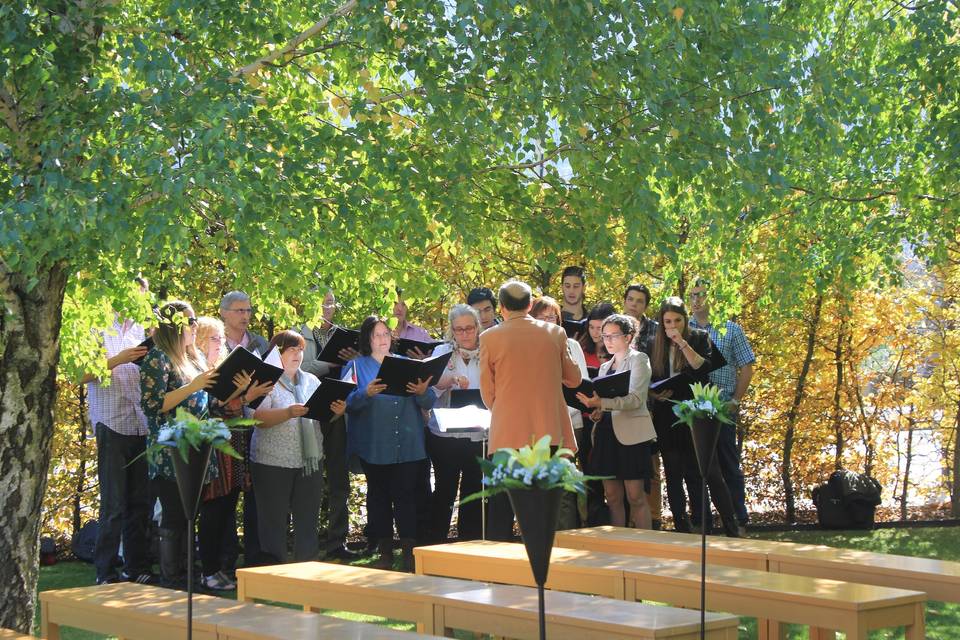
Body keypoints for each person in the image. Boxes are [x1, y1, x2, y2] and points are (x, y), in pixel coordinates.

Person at [139, 300, 249, 588]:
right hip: (172, 449)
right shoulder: (158, 358)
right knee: (175, 515)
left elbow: (210, 402)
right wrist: (193, 386)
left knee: (192, 514)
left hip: (200, 446)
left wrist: (237, 389)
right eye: (189, 321)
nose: (194, 326)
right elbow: (153, 406)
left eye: (194, 320)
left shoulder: (195, 357)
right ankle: (172, 579)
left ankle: (190, 577)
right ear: (172, 326)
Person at [479, 280, 582, 540]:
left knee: (503, 504)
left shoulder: (489, 338)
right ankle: (557, 563)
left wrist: (506, 410)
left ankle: (498, 568)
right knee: (550, 504)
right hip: (549, 430)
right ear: (530, 304)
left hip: (508, 433)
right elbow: (574, 379)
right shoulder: (555, 334)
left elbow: (487, 394)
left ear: (501, 307)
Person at [343, 316, 437, 571]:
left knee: (406, 498)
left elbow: (428, 402)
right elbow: (346, 405)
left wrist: (422, 392)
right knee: (378, 497)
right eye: (376, 335)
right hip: (374, 444)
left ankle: (408, 552)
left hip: (407, 443)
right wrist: (365, 393)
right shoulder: (355, 367)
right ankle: (384, 552)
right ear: (367, 339)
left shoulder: (408, 364)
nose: (382, 339)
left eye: (386, 334)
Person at [648, 297, 740, 537]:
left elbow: (702, 368)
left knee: (707, 471)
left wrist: (682, 344)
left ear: (685, 320)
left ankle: (725, 525)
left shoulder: (698, 337)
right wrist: (653, 393)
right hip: (667, 414)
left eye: (677, 320)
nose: (672, 326)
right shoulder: (652, 343)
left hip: (697, 413)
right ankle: (682, 527)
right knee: (674, 473)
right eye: (667, 321)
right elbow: (647, 378)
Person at [251, 330, 345, 563]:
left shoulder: (312, 381)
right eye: (291, 349)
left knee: (307, 519)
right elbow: (257, 419)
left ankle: (307, 567)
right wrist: (287, 413)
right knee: (273, 521)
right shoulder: (265, 381)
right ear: (277, 352)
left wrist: (336, 413)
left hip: (308, 461)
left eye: (301, 349)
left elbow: (322, 418)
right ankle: (274, 570)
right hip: (272, 462)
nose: (298, 354)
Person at [81, 281, 152, 586]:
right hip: (110, 422)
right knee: (114, 504)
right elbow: (80, 373)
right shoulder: (96, 326)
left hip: (139, 422)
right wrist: (119, 359)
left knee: (140, 503)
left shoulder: (141, 329)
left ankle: (136, 568)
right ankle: (105, 572)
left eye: (141, 295)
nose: (138, 299)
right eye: (132, 294)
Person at [194, 317, 272, 589]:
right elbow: (210, 408)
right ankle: (209, 570)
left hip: (235, 445)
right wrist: (241, 393)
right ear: (200, 341)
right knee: (212, 511)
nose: (219, 343)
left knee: (227, 509)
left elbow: (235, 406)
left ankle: (220, 568)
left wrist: (245, 393)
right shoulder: (197, 371)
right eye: (213, 338)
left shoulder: (222, 367)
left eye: (219, 338)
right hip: (212, 449)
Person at [688, 278, 755, 536]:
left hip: (722, 407)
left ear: (712, 298)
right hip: (694, 408)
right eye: (692, 296)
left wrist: (735, 401)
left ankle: (738, 519)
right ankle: (702, 521)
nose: (695, 301)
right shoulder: (685, 329)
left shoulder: (730, 330)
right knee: (697, 468)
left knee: (728, 465)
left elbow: (747, 366)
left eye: (701, 295)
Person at [576, 314, 656, 529]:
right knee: (611, 496)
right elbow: (606, 404)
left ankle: (646, 548)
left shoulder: (639, 359)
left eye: (614, 336)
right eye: (605, 336)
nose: (608, 341)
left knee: (635, 496)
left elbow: (636, 399)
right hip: (606, 434)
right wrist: (598, 410)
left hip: (631, 436)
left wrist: (602, 402)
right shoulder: (604, 367)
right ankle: (619, 546)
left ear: (629, 337)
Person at [297, 289, 359, 560]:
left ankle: (337, 541)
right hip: (307, 413)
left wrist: (352, 358)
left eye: (332, 303)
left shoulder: (343, 336)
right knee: (307, 478)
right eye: (322, 303)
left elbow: (355, 372)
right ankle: (305, 541)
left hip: (337, 412)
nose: (327, 308)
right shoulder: (297, 333)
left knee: (338, 479)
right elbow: (300, 370)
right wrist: (330, 362)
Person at [426, 304, 485, 542]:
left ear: (477, 327)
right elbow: (427, 390)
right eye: (458, 330)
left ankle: (470, 545)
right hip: (445, 438)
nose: (464, 334)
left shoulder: (489, 351)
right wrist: (447, 381)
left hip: (479, 436)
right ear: (451, 330)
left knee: (474, 493)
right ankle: (435, 546)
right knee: (444, 491)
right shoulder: (441, 352)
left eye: (469, 328)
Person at [219, 290, 269, 565]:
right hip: (226, 428)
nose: (245, 316)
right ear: (223, 313)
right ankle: (225, 558)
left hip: (257, 424)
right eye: (239, 310)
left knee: (255, 495)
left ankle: (254, 556)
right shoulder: (213, 343)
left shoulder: (259, 343)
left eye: (248, 310)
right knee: (225, 496)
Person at [530, 296, 589, 529]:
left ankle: (566, 541)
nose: (548, 321)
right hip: (535, 429)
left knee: (563, 489)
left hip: (567, 425)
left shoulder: (571, 346)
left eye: (552, 317)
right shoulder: (527, 346)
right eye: (542, 317)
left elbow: (581, 385)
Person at [622, 283, 663, 528]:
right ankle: (629, 520)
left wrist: (658, 389)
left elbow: (661, 366)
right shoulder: (614, 326)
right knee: (626, 468)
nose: (634, 304)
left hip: (651, 406)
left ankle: (655, 517)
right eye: (630, 299)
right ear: (625, 301)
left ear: (646, 305)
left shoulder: (656, 331)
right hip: (619, 407)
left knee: (651, 465)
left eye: (639, 301)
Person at [578, 302, 615, 370]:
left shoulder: (620, 353)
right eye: (591, 327)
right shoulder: (581, 349)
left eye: (599, 328)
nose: (594, 333)